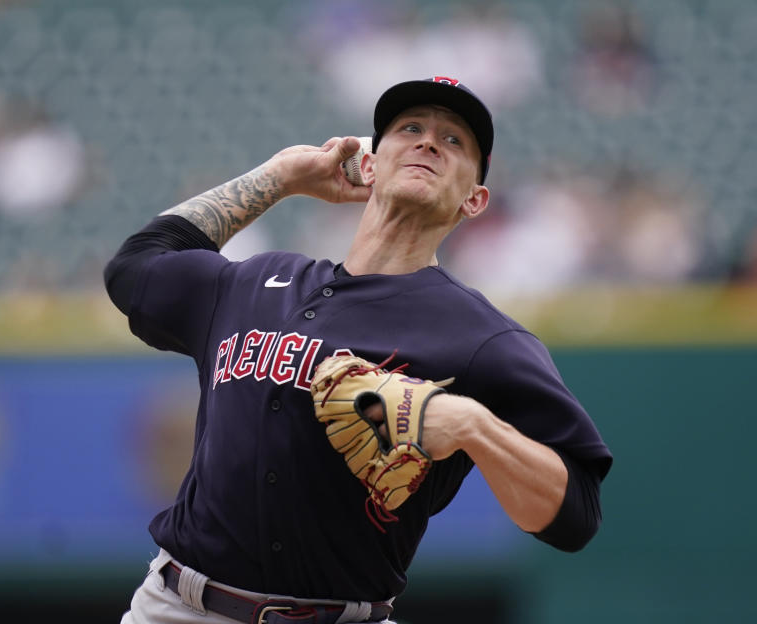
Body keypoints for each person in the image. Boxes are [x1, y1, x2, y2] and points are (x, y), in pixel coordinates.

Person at [105, 76, 613, 624]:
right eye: (410, 128)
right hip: (178, 607)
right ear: (368, 165)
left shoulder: (483, 338)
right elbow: (136, 268)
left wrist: (473, 426)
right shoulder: (257, 282)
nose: (427, 143)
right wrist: (280, 178)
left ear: (475, 199)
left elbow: (575, 514)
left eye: (453, 141)